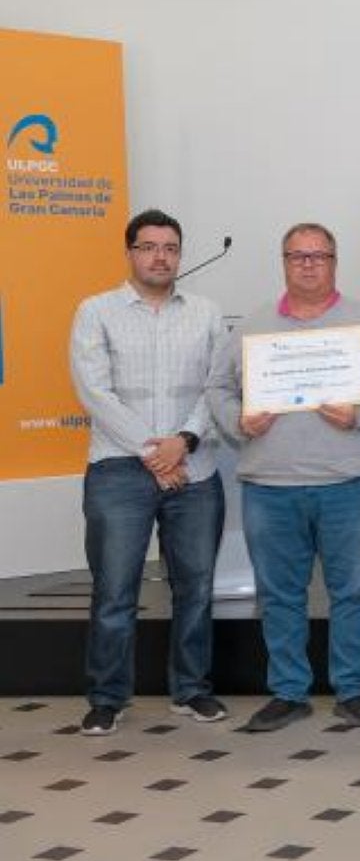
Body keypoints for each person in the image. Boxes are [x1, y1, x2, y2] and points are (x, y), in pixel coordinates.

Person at [207, 224, 360, 732]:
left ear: (334, 262)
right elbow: (217, 386)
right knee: (279, 595)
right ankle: (288, 692)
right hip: (270, 486)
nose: (308, 265)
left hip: (350, 482)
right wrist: (238, 421)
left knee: (352, 591)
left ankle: (353, 689)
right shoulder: (253, 327)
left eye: (319, 256)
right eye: (298, 256)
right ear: (283, 262)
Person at [69, 210, 229, 736]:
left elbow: (217, 387)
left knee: (196, 586)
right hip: (119, 471)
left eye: (170, 248)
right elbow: (96, 393)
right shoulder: (96, 312)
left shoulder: (205, 313)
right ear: (130, 252)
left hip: (195, 469)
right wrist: (153, 454)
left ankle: (192, 690)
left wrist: (181, 443)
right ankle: (108, 696)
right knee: (115, 589)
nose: (160, 256)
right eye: (149, 247)